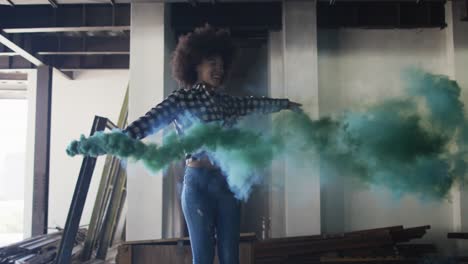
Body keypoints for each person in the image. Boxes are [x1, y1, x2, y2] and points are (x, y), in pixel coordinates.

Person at [122, 24, 301, 264]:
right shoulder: (182, 99)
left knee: (230, 258)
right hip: (197, 184)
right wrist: (118, 139)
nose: (218, 68)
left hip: (226, 183)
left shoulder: (226, 102)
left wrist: (285, 104)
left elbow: (255, 103)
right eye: (211, 62)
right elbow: (150, 121)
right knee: (203, 258)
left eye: (221, 63)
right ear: (195, 64)